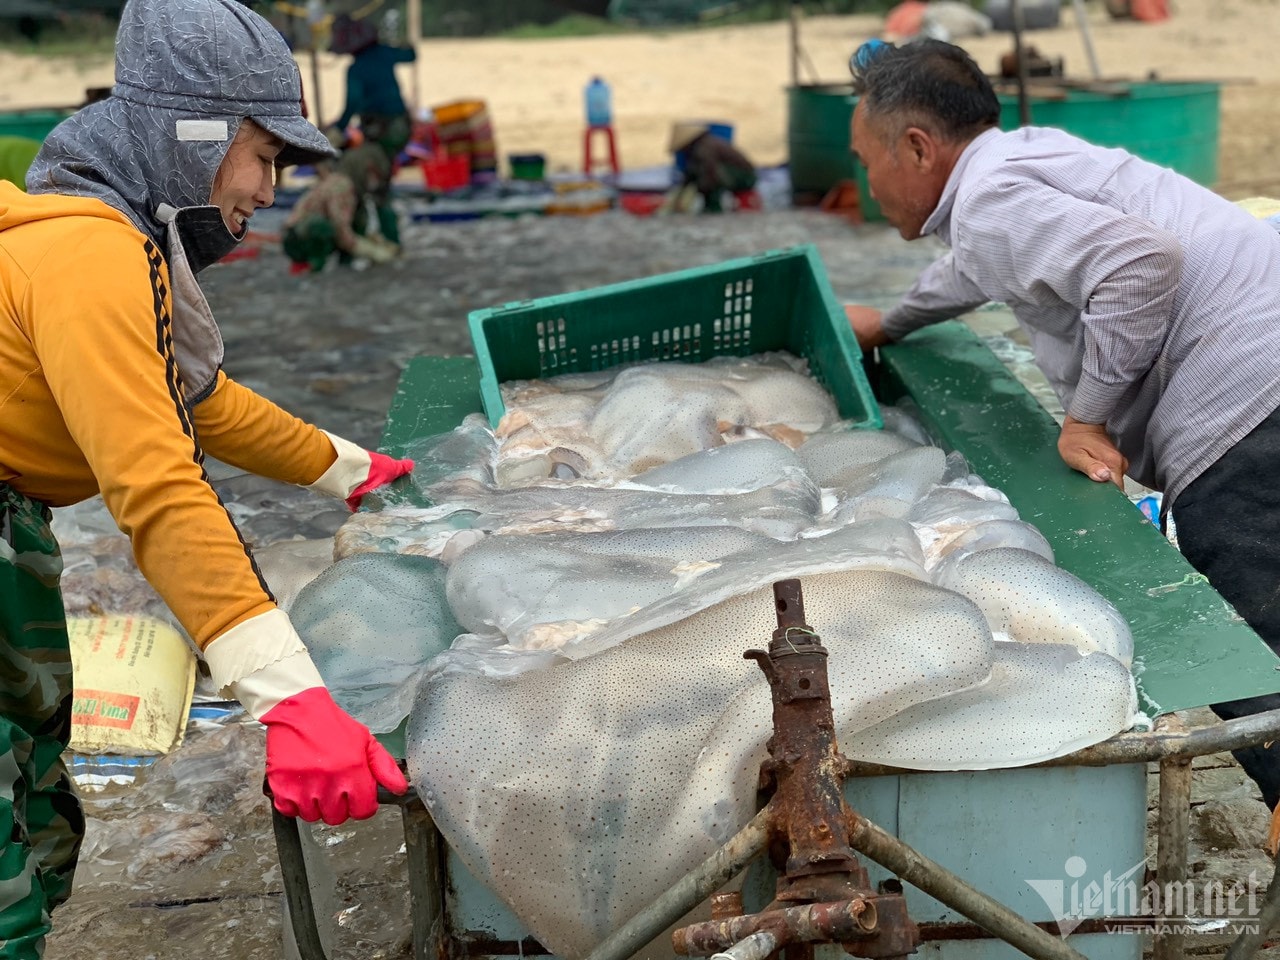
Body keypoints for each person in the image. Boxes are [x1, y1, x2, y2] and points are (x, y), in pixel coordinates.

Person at [3, 0, 415, 953]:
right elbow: (155, 481)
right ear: (191, 141)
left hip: (14, 524)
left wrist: (351, 470)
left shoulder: (115, 235)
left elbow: (198, 402)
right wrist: (293, 700)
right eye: (263, 156)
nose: (270, 189)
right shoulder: (90, 253)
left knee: (37, 811)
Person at [842, 39, 1280, 811]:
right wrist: (895, 320)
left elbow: (1140, 263)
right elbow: (980, 266)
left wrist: (1084, 420)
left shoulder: (985, 205)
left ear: (915, 148)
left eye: (865, 158)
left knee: (1246, 642)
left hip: (1246, 399)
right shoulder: (1018, 163)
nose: (864, 182)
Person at [328, 12, 416, 246]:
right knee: (380, 179)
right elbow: (410, 54)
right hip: (402, 126)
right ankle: (387, 239)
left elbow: (351, 106)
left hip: (382, 131)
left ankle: (388, 240)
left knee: (375, 185)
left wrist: (335, 131)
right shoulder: (385, 53)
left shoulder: (356, 70)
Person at [282, 146, 399, 273]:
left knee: (358, 221)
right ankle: (312, 267)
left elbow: (355, 225)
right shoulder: (342, 186)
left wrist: (375, 241)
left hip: (306, 233)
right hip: (300, 238)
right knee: (322, 228)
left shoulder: (353, 189)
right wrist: (373, 252)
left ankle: (344, 265)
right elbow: (340, 229)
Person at [669, 123, 757, 213]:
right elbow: (690, 174)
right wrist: (680, 194)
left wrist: (701, 188)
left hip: (744, 177)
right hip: (739, 174)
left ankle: (713, 208)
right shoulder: (700, 146)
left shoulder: (704, 147)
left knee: (708, 181)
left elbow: (709, 171)